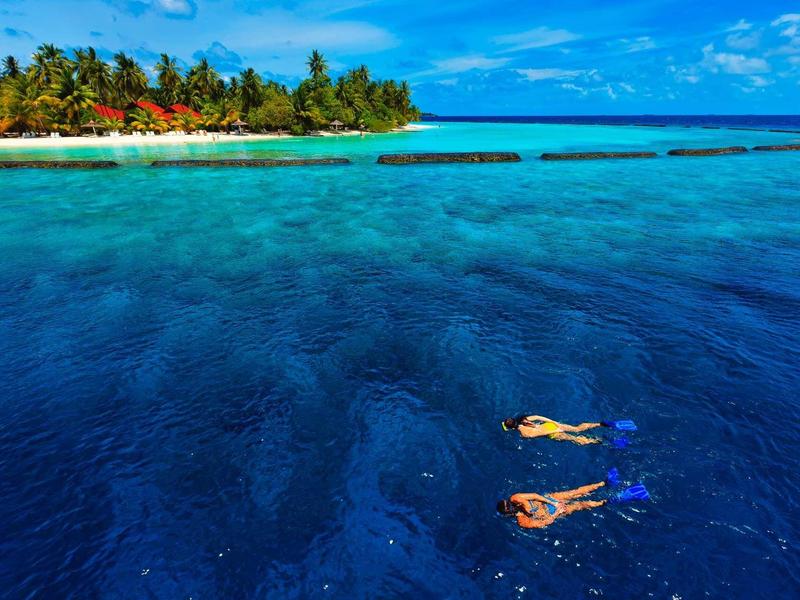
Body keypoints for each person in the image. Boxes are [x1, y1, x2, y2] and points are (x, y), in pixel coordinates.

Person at [497, 470, 649, 529]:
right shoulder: (523, 522)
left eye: (509, 504)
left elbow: (536, 496)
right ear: (509, 512)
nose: (512, 504)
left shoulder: (516, 498)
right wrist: (557, 510)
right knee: (580, 505)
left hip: (550, 500)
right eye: (510, 506)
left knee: (575, 493)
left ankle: (605, 483)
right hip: (555, 512)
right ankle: (610, 501)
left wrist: (552, 502)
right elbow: (544, 522)